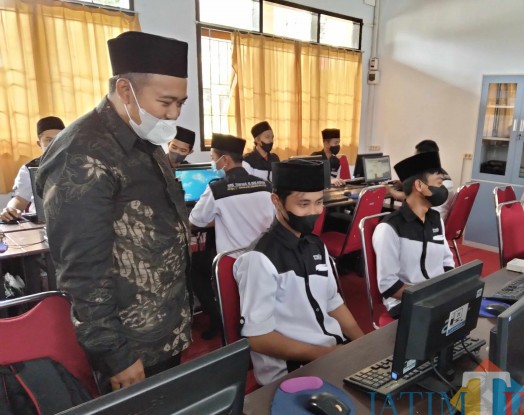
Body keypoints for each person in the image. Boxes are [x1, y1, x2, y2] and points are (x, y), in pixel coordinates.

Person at [35, 31, 193, 393]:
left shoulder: (145, 138)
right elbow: (82, 271)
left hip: (165, 324)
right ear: (125, 90)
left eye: (180, 103)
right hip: (129, 343)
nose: (173, 114)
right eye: (166, 102)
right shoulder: (81, 153)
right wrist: (114, 354)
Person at [234, 160, 364, 385]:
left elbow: (333, 301)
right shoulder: (260, 258)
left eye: (319, 202)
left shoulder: (315, 245)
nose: (314, 212)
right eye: (303, 204)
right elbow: (257, 337)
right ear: (277, 202)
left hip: (331, 352)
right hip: (294, 369)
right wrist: (324, 355)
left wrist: (364, 344)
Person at [189, 133, 275, 340]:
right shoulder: (265, 185)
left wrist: (219, 216)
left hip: (233, 261)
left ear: (225, 160)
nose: (212, 162)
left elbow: (196, 221)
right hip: (264, 256)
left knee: (193, 268)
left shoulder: (217, 188)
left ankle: (217, 316)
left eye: (213, 157)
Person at [373, 151, 455, 318]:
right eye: (439, 183)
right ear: (419, 186)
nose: (443, 189)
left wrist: (448, 291)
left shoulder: (435, 219)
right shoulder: (389, 228)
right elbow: (388, 285)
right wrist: (427, 298)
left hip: (435, 297)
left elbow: (447, 260)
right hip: (405, 302)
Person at [1, 117, 65, 222]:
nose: (55, 144)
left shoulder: (80, 163)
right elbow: (20, 199)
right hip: (41, 223)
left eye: (60, 138)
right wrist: (11, 210)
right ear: (40, 144)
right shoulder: (29, 168)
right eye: (49, 140)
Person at [385, 139, 456, 220]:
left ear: (422, 157)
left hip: (431, 218)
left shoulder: (431, 177)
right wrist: (405, 184)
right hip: (441, 216)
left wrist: (390, 190)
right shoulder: (441, 173)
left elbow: (413, 198)